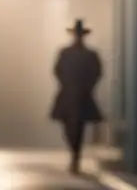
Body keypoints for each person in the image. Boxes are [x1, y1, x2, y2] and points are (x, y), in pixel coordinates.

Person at [50, 19, 104, 175]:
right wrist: (65, 83)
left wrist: (88, 86)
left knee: (79, 126)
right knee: (67, 125)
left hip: (82, 93)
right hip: (68, 92)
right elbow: (57, 70)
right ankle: (74, 152)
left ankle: (76, 155)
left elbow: (97, 72)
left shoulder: (91, 54)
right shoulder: (65, 52)